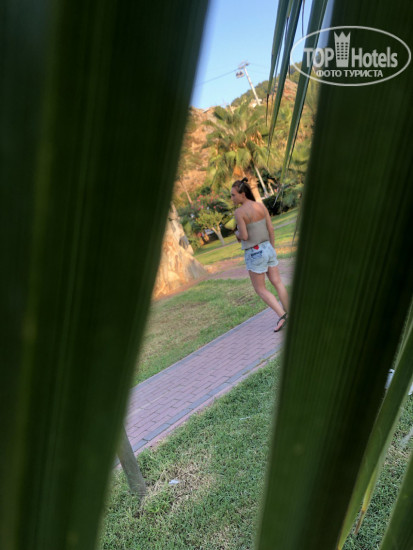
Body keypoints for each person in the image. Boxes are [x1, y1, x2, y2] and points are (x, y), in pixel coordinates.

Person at [231, 178, 289, 332]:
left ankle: (283, 316)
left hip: (255, 252)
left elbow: (244, 236)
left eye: (233, 195)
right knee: (277, 282)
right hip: (268, 247)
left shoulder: (239, 212)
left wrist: (236, 234)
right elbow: (271, 229)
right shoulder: (261, 206)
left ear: (243, 194)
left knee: (260, 289)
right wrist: (272, 248)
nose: (232, 198)